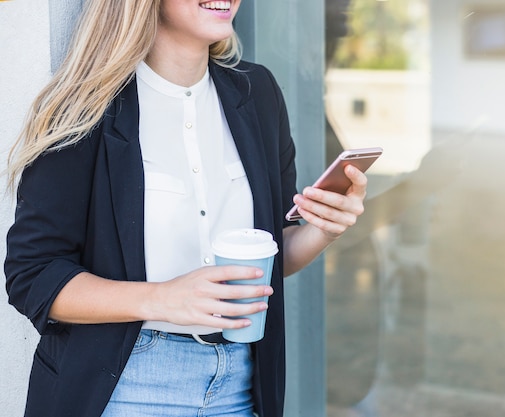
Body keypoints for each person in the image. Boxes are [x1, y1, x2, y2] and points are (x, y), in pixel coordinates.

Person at [3, 1, 368, 416]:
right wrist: (160, 298)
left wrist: (324, 229)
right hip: (124, 390)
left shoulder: (258, 93)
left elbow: (269, 256)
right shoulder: (85, 108)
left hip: (240, 387)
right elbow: (33, 276)